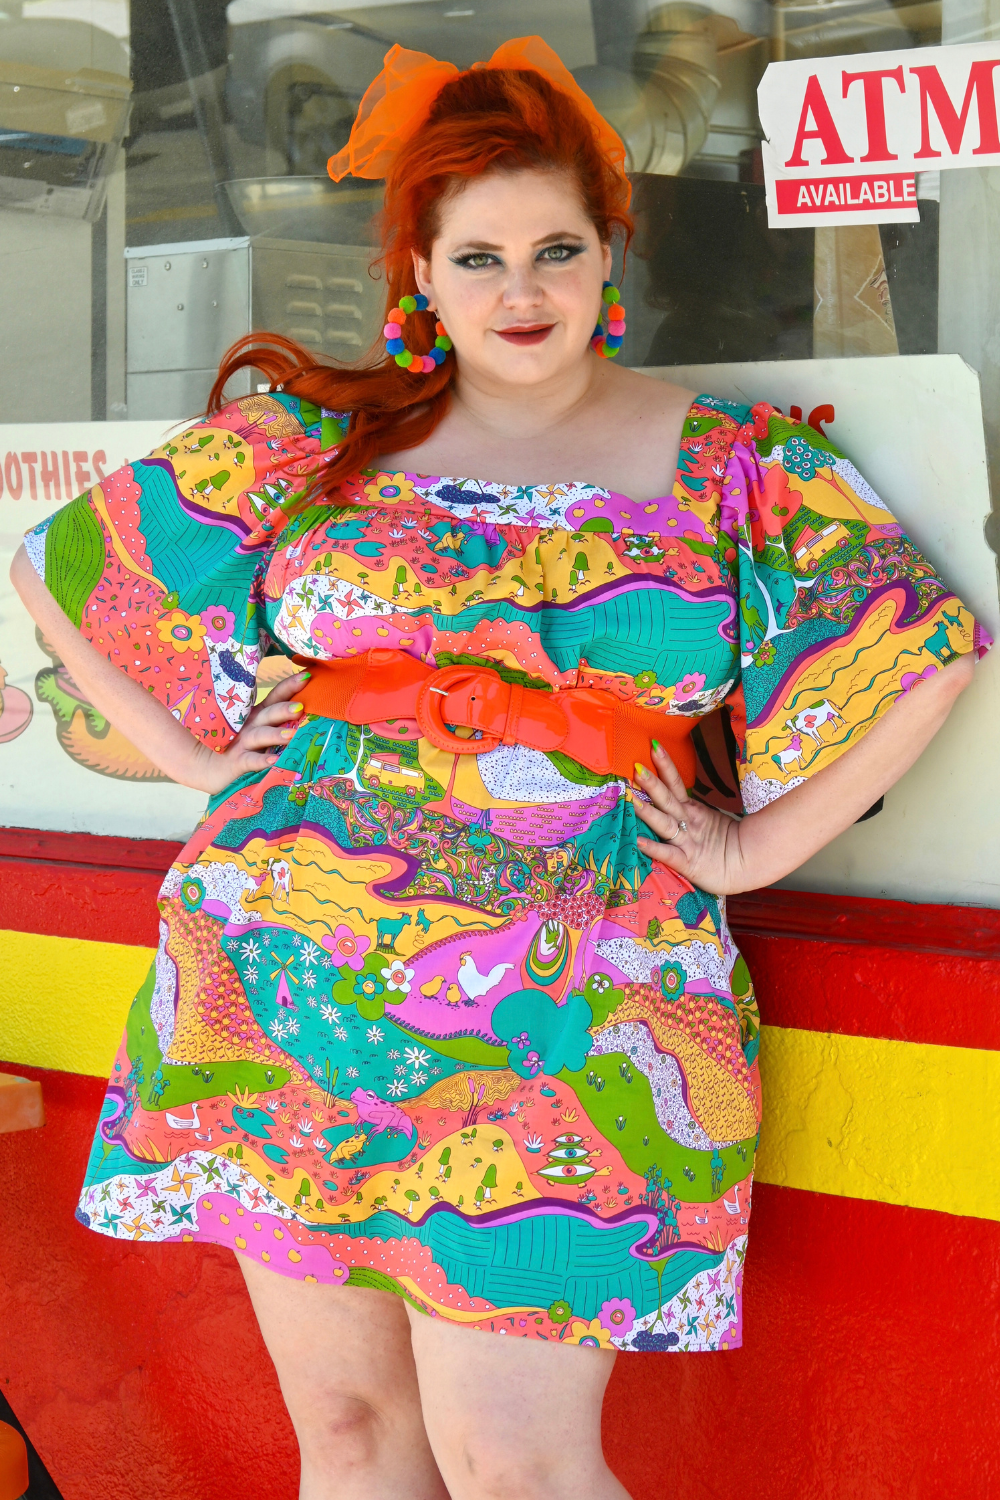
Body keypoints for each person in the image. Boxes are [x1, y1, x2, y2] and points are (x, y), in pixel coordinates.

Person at [10, 37, 989, 1500]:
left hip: (575, 1013)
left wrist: (754, 853)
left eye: (554, 251)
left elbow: (929, 646)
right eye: (478, 259)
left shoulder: (729, 461)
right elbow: (68, 570)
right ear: (420, 272)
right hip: (289, 983)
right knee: (347, 1444)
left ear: (612, 260)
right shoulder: (319, 444)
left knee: (514, 1461)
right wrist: (198, 761)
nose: (519, 293)